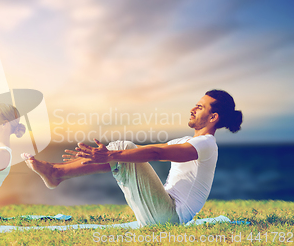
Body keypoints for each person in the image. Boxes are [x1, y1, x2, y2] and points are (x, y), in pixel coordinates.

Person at [21, 89, 242, 226]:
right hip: (161, 212)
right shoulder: (188, 141)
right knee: (125, 150)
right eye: (195, 104)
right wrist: (101, 156)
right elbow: (150, 148)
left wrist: (110, 154)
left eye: (200, 107)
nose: (193, 108)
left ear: (213, 117)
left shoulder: (205, 145)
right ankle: (57, 170)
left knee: (123, 149)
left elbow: (157, 154)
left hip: (169, 217)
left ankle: (57, 173)